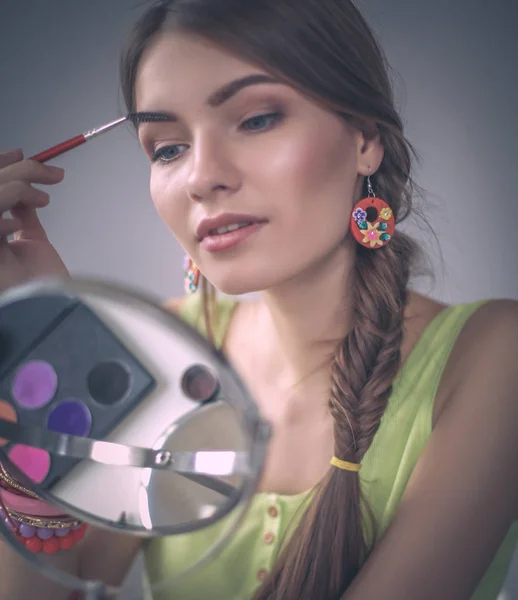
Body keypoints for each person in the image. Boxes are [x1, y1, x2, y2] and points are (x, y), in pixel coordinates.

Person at [0, 0, 517, 598]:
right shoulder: (167, 355)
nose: (202, 176)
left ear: (365, 140)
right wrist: (38, 353)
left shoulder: (492, 356)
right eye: (167, 148)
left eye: (257, 119)